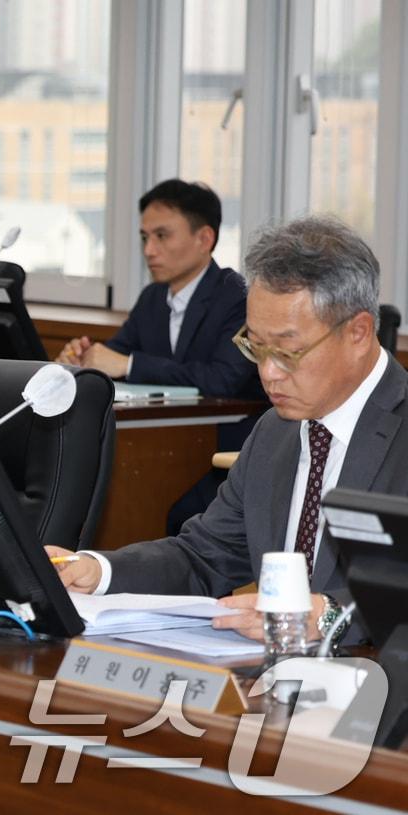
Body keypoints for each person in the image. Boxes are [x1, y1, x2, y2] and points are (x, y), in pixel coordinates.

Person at [49, 216, 408, 646]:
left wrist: (331, 615)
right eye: (256, 347)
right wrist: (98, 570)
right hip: (275, 673)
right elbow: (203, 556)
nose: (268, 373)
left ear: (359, 333)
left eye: (288, 352)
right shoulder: (275, 431)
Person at [58, 179, 264, 533]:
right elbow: (114, 354)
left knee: (168, 509)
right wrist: (82, 360)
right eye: (144, 238)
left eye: (162, 236)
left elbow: (223, 379)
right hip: (164, 444)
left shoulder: (237, 297)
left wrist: (128, 364)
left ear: (205, 239)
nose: (149, 250)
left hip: (224, 448)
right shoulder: (153, 299)